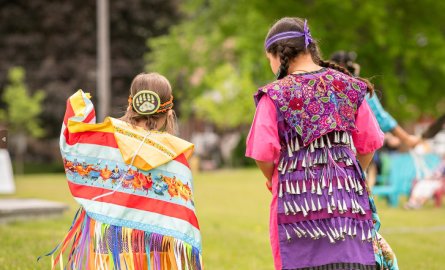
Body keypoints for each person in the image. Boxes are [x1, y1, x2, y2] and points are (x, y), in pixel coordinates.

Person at [246, 17, 397, 270]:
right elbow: (368, 144)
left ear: (276, 54)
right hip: (348, 206)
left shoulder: (274, 95)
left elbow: (262, 152)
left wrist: (273, 176)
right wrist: (347, 170)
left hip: (296, 209)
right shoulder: (349, 86)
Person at [43, 73, 202, 269]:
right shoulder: (176, 158)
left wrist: (79, 106)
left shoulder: (106, 140)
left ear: (130, 107)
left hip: (109, 236)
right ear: (169, 114)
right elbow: (181, 219)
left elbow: (72, 144)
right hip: (153, 245)